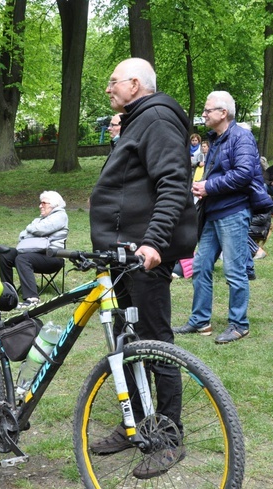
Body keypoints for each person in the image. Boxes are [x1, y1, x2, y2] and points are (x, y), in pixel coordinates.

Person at [88, 58, 196, 478]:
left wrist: (153, 241)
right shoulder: (135, 121)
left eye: (113, 81)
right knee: (123, 344)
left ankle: (168, 435)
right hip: (118, 255)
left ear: (135, 83)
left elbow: (173, 182)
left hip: (142, 254)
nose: (108, 89)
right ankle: (135, 425)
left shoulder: (158, 119)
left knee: (154, 344)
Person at [174, 90, 259, 345]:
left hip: (233, 211)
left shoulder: (241, 137)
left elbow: (244, 173)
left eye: (208, 110)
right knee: (200, 266)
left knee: (234, 270)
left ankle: (239, 324)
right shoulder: (216, 139)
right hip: (213, 213)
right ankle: (200, 320)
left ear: (223, 113)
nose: (204, 113)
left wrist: (209, 186)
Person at [0, 191, 68, 308]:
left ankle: (32, 298)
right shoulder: (39, 219)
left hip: (53, 257)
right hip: (34, 252)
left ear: (54, 204)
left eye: (43, 203)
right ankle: (9, 293)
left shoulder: (60, 216)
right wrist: (33, 231)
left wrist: (30, 229)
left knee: (22, 259)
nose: (40, 206)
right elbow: (22, 235)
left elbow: (42, 229)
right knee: (5, 254)